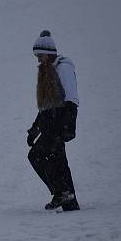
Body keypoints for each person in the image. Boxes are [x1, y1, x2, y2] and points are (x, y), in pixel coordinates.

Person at [27, 30, 80, 211]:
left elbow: (71, 97)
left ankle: (61, 192)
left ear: (49, 53)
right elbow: (45, 107)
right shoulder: (47, 72)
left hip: (59, 123)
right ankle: (70, 202)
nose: (38, 59)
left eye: (40, 55)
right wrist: (35, 129)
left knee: (38, 155)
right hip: (51, 124)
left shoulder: (62, 67)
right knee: (58, 161)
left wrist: (68, 125)